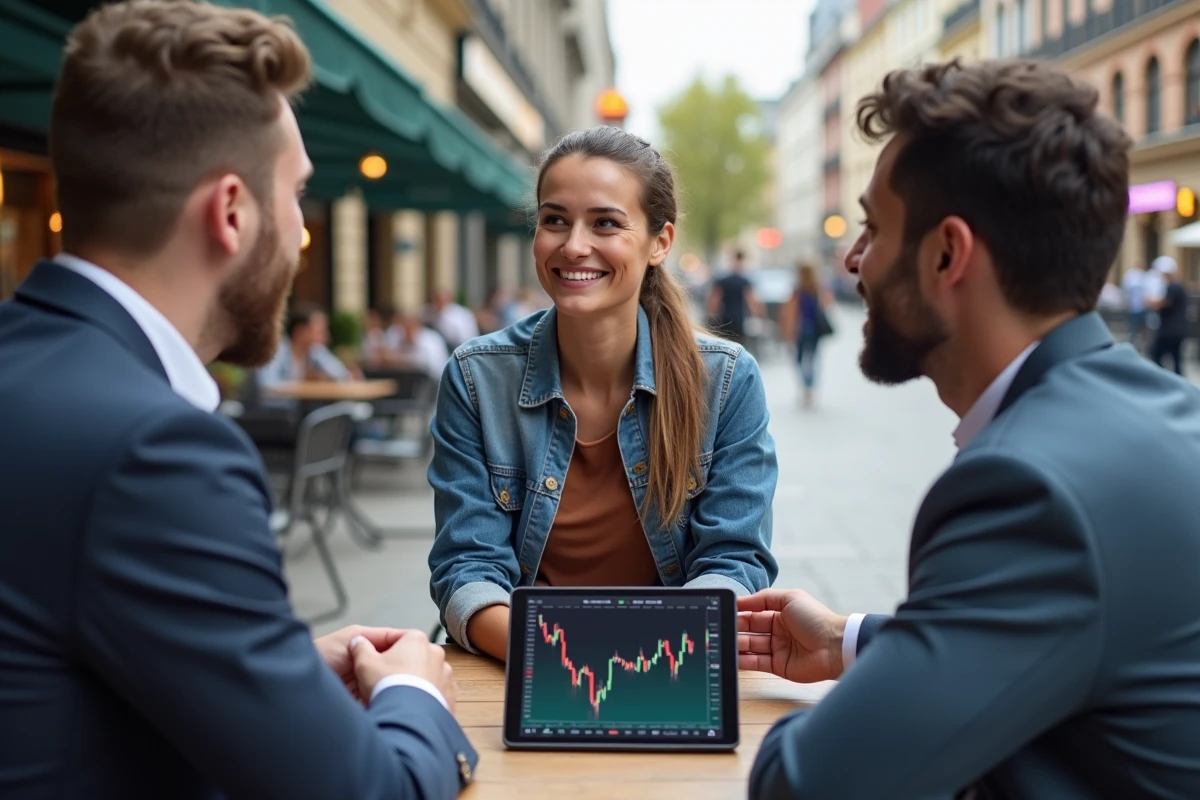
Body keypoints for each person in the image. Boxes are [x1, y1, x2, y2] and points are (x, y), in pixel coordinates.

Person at [0, 3, 476, 797]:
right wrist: (415, 691)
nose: (298, 237)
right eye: (296, 197)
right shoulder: (156, 451)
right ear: (230, 212)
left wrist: (276, 672)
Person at [740, 59, 1200, 798]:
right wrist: (851, 643)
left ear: (947, 253)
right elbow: (1068, 632)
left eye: (873, 228)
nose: (854, 261)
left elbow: (812, 782)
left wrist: (851, 713)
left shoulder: (1027, 488)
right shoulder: (1160, 412)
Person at [427, 126, 779, 661]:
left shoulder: (726, 381)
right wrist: (569, 654)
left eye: (606, 223)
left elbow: (735, 564)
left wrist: (645, 654)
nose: (573, 246)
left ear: (660, 242)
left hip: (670, 664)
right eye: (554, 221)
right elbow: (467, 569)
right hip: (523, 662)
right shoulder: (477, 378)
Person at [259, 301, 356, 387]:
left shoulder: (315, 351)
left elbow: (341, 375)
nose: (326, 336)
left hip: (302, 407)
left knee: (358, 408)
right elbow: (267, 385)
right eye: (319, 331)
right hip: (271, 407)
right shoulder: (276, 350)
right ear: (300, 331)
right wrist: (303, 384)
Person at [781, 263, 834, 407]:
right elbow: (828, 303)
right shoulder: (817, 289)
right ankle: (809, 387)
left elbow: (791, 313)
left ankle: (806, 386)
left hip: (801, 329)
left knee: (799, 358)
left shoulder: (797, 291)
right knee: (812, 358)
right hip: (815, 329)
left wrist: (788, 333)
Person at [706, 249, 766, 346]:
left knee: (725, 344)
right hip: (739, 318)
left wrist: (711, 317)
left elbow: (714, 302)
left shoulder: (723, 281)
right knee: (739, 345)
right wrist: (758, 316)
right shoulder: (745, 281)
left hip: (724, 318)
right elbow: (751, 301)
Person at [1148, 255, 1188, 375]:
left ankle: (1164, 379)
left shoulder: (1173, 287)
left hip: (1169, 331)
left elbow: (1165, 303)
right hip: (1177, 330)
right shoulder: (1178, 286)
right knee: (1176, 360)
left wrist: (1150, 302)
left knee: (1156, 355)